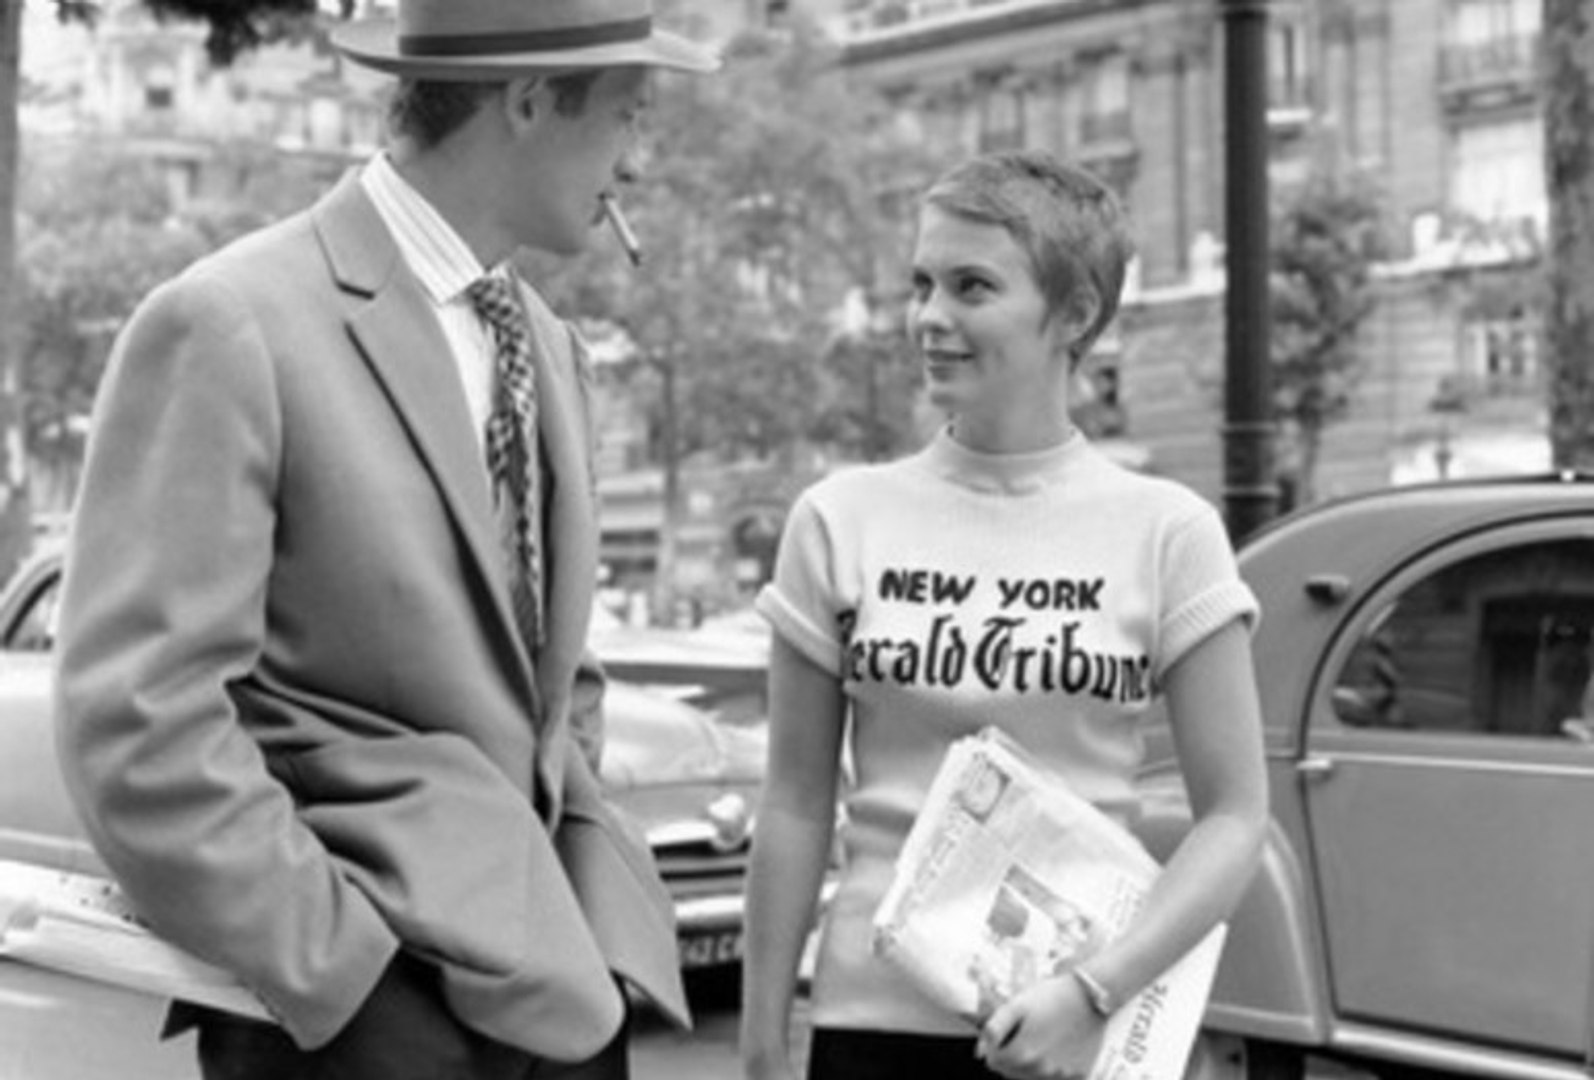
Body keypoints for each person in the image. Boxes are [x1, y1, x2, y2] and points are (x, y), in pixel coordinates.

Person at [52, 2, 718, 1078]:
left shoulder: (548, 347)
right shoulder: (230, 322)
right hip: (354, 1020)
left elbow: (553, 683)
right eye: (629, 119)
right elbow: (140, 724)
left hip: (552, 996)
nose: (638, 163)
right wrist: (345, 979)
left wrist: (590, 922)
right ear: (531, 100)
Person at [739, 149, 1270, 1080]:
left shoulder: (1169, 533)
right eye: (922, 284)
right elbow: (793, 802)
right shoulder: (838, 520)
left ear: (1075, 314)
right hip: (873, 1026)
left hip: (1071, 1033)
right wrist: (758, 1045)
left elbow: (1234, 820)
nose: (930, 318)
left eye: (972, 287)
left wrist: (1097, 991)